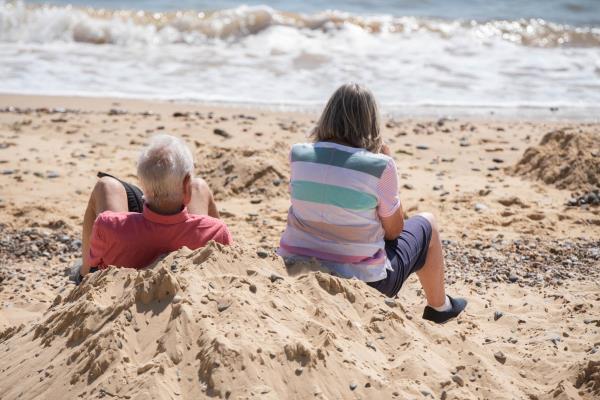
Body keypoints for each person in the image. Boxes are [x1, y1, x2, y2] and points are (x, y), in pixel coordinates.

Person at [278, 83, 466, 324]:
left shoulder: (298, 154)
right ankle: (440, 307)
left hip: (295, 267)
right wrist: (387, 161)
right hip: (365, 282)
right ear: (370, 121)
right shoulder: (379, 166)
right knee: (427, 223)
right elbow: (395, 231)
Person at [77, 134, 231, 281]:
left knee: (106, 185)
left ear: (142, 181)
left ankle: (83, 274)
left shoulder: (108, 224)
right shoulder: (216, 232)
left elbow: (96, 261)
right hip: (192, 244)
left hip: (125, 254)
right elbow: (229, 262)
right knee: (200, 185)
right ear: (186, 187)